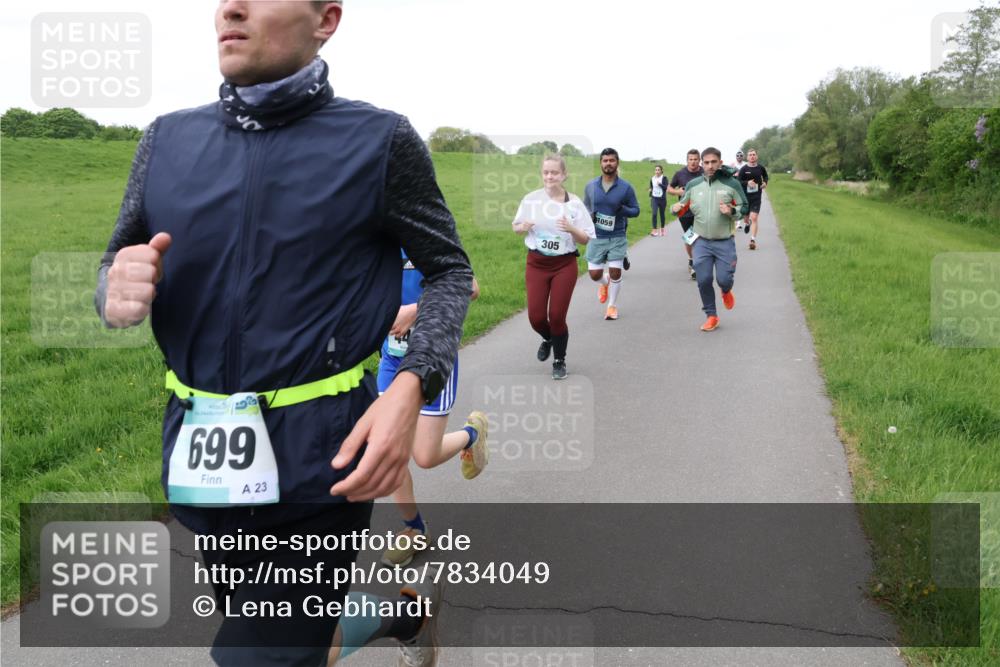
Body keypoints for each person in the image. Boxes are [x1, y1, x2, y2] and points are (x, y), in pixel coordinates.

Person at [95, 2, 472, 665]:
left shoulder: (379, 141)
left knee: (255, 656)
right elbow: (117, 262)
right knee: (276, 634)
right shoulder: (165, 140)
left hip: (322, 466)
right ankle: (404, 614)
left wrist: (411, 384)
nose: (228, 8)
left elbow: (448, 270)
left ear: (325, 19)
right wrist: (113, 288)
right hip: (203, 460)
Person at [378, 254, 488, 567]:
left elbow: (470, 287)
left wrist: (415, 311)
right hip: (393, 361)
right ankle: (414, 529)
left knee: (425, 456)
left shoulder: (424, 235)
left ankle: (472, 434)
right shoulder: (369, 241)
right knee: (390, 449)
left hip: (435, 358)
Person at [512, 154, 596, 379]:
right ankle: (548, 338)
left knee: (557, 315)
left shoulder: (574, 204)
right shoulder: (531, 199)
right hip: (537, 263)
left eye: (555, 172)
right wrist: (523, 226)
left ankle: (559, 360)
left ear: (564, 175)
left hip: (563, 264)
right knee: (536, 317)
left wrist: (571, 229)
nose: (550, 176)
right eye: (546, 172)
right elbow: (516, 227)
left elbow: (586, 239)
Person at [671, 147, 749, 331]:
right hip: (701, 241)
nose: (710, 166)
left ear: (720, 163)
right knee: (703, 279)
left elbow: (744, 206)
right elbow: (683, 206)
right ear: (701, 164)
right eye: (706, 162)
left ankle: (726, 290)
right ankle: (711, 315)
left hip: (724, 241)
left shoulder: (731, 183)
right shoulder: (694, 185)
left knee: (724, 279)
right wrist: (676, 208)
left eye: (714, 162)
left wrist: (731, 211)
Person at [583, 148, 640, 321]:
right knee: (594, 275)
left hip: (617, 235)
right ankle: (604, 282)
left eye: (611, 160)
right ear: (601, 163)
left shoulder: (626, 187)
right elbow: (584, 207)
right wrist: (588, 215)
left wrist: (622, 210)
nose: (608, 163)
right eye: (605, 160)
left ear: (617, 163)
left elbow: (636, 210)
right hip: (597, 236)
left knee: (616, 272)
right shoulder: (591, 186)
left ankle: (612, 306)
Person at [668, 149, 704, 281]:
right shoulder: (680, 174)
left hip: (702, 212)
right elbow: (670, 189)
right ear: (687, 160)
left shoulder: (704, 172)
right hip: (685, 212)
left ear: (699, 160)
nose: (693, 162)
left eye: (695, 159)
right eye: (691, 159)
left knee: (699, 237)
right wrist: (678, 192)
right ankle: (691, 258)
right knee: (690, 238)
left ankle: (696, 265)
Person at [737, 149, 769, 250]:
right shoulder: (743, 169)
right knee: (746, 217)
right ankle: (747, 223)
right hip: (745, 197)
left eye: (754, 155)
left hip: (756, 197)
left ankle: (752, 240)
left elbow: (765, 176)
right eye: (750, 155)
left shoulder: (761, 168)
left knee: (754, 218)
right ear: (747, 157)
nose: (752, 156)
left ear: (757, 156)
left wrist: (765, 183)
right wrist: (747, 183)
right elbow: (738, 182)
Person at [648, 164, 668, 236]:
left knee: (662, 214)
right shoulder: (652, 178)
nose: (657, 171)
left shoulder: (664, 178)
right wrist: (650, 191)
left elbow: (666, 188)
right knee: (654, 214)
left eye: (658, 170)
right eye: (656, 170)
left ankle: (662, 229)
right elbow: (651, 187)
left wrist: (660, 184)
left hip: (662, 199)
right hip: (654, 198)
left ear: (661, 171)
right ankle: (655, 231)